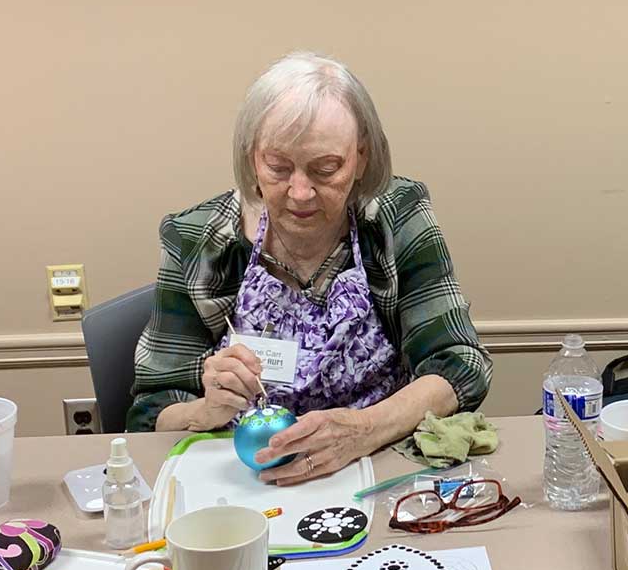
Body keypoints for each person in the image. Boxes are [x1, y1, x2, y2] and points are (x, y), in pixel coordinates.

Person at [127, 51, 492, 483]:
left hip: (374, 467)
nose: (300, 193)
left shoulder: (396, 219)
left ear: (361, 158)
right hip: (240, 476)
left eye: (325, 169)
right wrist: (206, 408)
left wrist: (364, 430)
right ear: (251, 158)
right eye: (278, 168)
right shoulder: (200, 240)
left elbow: (460, 364)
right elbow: (151, 410)